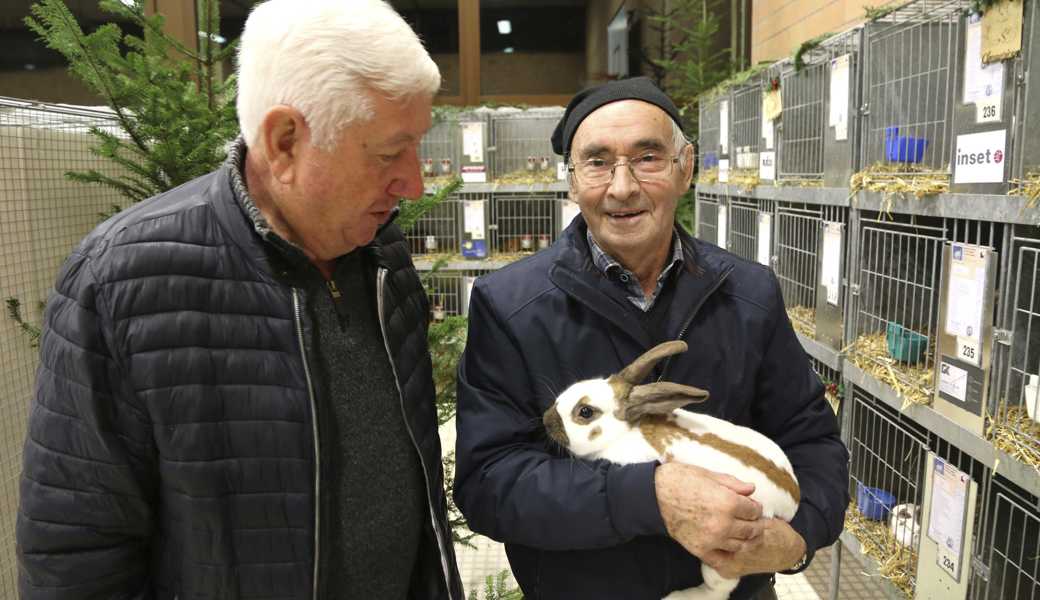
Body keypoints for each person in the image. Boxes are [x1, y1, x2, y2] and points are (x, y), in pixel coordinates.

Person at [16, 1, 463, 598]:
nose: (414, 182)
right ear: (284, 142)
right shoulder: (123, 281)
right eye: (388, 153)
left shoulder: (381, 253)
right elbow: (74, 551)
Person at [453, 77, 850, 600]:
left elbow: (811, 438)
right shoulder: (510, 305)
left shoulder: (749, 294)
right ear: (572, 181)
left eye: (648, 158)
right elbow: (489, 482)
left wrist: (798, 539)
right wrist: (648, 497)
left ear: (685, 168)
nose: (622, 187)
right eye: (597, 162)